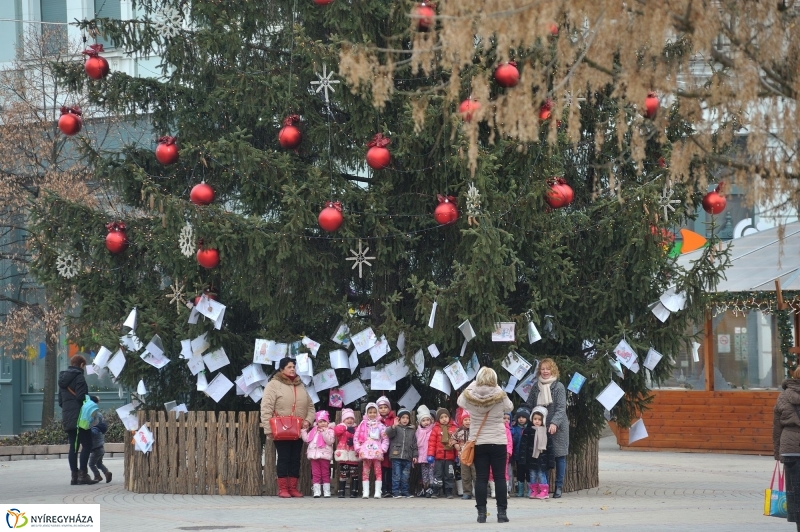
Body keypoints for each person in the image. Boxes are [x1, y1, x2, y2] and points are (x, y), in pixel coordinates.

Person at [457, 367, 514, 524]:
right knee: (500, 477)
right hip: (498, 442)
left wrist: (472, 384)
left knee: (481, 478)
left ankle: (481, 514)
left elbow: (459, 401)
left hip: (479, 442)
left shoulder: (471, 395)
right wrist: (498, 388)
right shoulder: (499, 394)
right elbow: (510, 407)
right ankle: (502, 513)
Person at [260, 357, 316, 498]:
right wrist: (268, 429)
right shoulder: (273, 385)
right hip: (281, 429)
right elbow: (266, 407)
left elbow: (310, 406)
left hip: (298, 429)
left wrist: (308, 421)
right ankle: (283, 489)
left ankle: (293, 488)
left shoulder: (300, 385)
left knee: (295, 458)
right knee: (284, 457)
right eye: (289, 367)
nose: (292, 369)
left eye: (293, 367)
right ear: (282, 369)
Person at [524, 357, 569, 498]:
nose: (545, 371)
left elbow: (561, 408)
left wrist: (555, 423)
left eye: (548, 369)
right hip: (540, 428)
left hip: (557, 427)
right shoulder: (536, 387)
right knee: (543, 457)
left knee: (559, 456)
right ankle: (544, 487)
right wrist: (525, 417)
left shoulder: (559, 387)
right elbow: (529, 404)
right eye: (542, 369)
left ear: (553, 370)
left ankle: (559, 486)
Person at [58, 355, 98, 486]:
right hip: (81, 417)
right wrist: (93, 398)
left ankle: (74, 477)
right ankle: (83, 475)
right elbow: (81, 397)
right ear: (81, 365)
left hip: (68, 417)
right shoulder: (79, 377)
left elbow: (60, 402)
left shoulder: (62, 379)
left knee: (73, 447)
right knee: (87, 445)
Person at [773, 366, 800, 531]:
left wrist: (777, 454)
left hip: (790, 449)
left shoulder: (783, 397)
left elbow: (776, 428)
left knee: (795, 490)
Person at [354, 402, 389, 498]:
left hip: (377, 452)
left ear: (377, 413)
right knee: (365, 471)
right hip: (365, 451)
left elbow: (385, 438)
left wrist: (383, 448)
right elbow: (356, 437)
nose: (372, 414)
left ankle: (378, 491)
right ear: (366, 413)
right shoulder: (362, 424)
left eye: (374, 412)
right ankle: (366, 492)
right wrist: (358, 448)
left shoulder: (381, 425)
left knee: (378, 471)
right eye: (370, 412)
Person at [520, 406, 553, 500]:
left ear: (543, 420)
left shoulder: (546, 432)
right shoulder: (528, 431)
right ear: (532, 419)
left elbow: (550, 447)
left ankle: (544, 491)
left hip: (543, 458)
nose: (537, 421)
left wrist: (551, 461)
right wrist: (523, 458)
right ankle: (534, 490)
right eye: (535, 419)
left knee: (541, 474)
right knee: (532, 474)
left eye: (539, 419)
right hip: (531, 458)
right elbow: (524, 445)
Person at [426, 407, 458, 498]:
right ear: (438, 419)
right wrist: (430, 455)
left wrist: (456, 455)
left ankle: (448, 492)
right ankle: (436, 491)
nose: (444, 419)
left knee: (449, 474)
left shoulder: (454, 428)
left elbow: (456, 442)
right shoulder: (436, 429)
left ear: (449, 417)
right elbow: (432, 443)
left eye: (446, 416)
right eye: (441, 417)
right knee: (438, 474)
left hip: (450, 457)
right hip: (439, 457)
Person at [302, 410, 335, 498]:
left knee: (325, 473)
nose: (323, 423)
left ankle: (326, 491)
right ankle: (317, 491)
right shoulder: (314, 430)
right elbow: (307, 439)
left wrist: (324, 432)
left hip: (324, 455)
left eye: (324, 421)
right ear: (317, 422)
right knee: (315, 473)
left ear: (328, 421)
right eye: (320, 422)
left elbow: (330, 441)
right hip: (314, 455)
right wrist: (304, 431)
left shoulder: (330, 431)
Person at [385, 408, 417, 498]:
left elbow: (414, 444)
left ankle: (405, 491)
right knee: (396, 475)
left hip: (408, 457)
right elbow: (388, 433)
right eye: (403, 417)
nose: (405, 420)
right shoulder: (396, 428)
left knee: (405, 476)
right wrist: (394, 426)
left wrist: (415, 455)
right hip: (396, 456)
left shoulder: (411, 430)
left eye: (407, 418)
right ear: (399, 419)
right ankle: (395, 491)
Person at [334, 408, 361, 498]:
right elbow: (337, 431)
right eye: (347, 418)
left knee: (354, 474)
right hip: (344, 455)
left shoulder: (357, 428)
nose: (350, 420)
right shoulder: (340, 427)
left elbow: (360, 437)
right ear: (343, 420)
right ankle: (341, 491)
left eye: (351, 418)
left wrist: (353, 440)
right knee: (343, 474)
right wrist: (346, 428)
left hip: (353, 454)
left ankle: (354, 491)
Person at [88, 395, 112, 483]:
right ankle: (106, 472)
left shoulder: (92, 415)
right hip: (100, 444)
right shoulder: (100, 414)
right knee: (99, 463)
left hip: (96, 446)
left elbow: (93, 429)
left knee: (91, 464)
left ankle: (97, 476)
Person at [376, 395, 396, 497]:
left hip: (392, 448)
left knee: (391, 470)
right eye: (380, 407)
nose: (383, 409)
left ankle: (390, 488)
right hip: (380, 449)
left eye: (385, 407)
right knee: (382, 470)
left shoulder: (394, 419)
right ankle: (383, 489)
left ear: (389, 408)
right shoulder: (376, 420)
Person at [454, 411, 476, 500]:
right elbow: (452, 439)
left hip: (474, 456)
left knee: (476, 475)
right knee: (465, 475)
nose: (468, 422)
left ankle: (479, 492)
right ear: (462, 421)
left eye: (470, 420)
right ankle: (467, 492)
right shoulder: (459, 431)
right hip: (463, 456)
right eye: (465, 420)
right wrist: (455, 444)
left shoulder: (475, 430)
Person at [415, 405, 435, 497]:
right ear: (420, 422)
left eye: (428, 420)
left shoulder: (433, 430)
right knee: (424, 473)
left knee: (432, 472)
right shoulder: (418, 431)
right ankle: (425, 487)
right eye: (423, 420)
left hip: (431, 456)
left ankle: (431, 488)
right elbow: (416, 444)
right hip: (422, 456)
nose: (426, 422)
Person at [510, 406, 530, 498]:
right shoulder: (514, 428)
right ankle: (520, 490)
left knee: (529, 472)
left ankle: (530, 490)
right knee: (520, 472)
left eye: (523, 417)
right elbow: (512, 441)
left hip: (528, 455)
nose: (521, 419)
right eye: (519, 417)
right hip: (518, 454)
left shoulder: (530, 429)